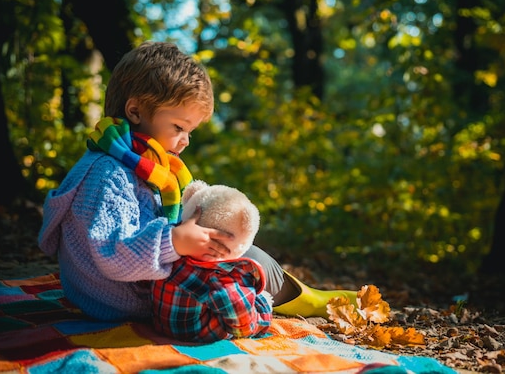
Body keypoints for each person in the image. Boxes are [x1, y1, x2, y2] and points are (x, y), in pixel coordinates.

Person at [38, 40, 357, 325]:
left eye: (190, 131)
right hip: (121, 299)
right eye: (178, 126)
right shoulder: (107, 172)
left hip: (135, 285)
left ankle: (302, 295)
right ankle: (300, 301)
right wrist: (175, 241)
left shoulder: (143, 165)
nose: (185, 140)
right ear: (135, 110)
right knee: (245, 260)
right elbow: (112, 253)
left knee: (230, 244)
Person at [151, 180, 272, 342]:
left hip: (159, 323)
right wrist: (264, 311)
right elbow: (243, 324)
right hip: (195, 334)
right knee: (250, 301)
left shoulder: (171, 249)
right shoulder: (218, 278)